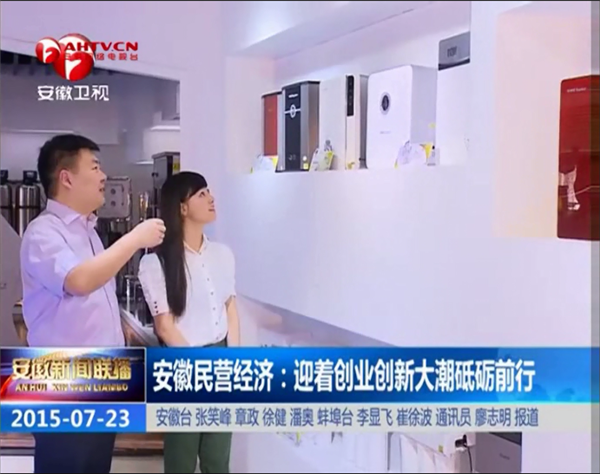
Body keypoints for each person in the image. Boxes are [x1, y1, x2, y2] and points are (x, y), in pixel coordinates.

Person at [20, 134, 166, 474]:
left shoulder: (88, 231)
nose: (104, 176)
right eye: (95, 167)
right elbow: (79, 281)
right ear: (67, 178)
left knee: (94, 464)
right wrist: (134, 239)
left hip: (102, 379)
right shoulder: (44, 232)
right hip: (63, 382)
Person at [137, 171, 240, 473]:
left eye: (209, 192)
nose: (211, 198)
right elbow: (164, 326)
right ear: (182, 207)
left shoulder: (223, 254)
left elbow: (230, 308)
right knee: (181, 458)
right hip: (184, 365)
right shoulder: (155, 263)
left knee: (218, 458)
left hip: (221, 359)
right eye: (201, 194)